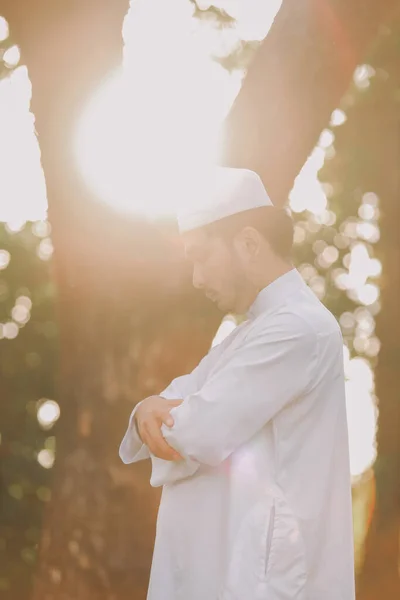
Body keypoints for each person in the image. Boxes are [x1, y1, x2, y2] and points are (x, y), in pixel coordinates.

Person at [119, 167, 355, 600]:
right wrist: (149, 409)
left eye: (201, 256)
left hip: (268, 584)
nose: (196, 278)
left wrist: (162, 411)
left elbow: (195, 430)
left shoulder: (297, 328)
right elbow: (175, 400)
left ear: (248, 243)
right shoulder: (249, 333)